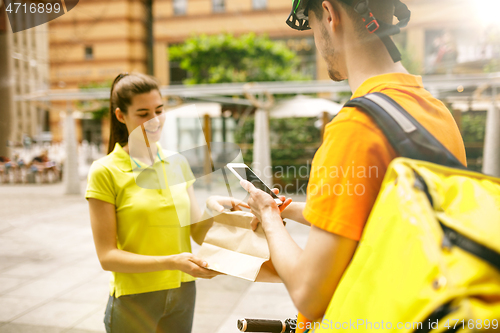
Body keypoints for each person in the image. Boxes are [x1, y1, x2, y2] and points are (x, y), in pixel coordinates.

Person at [241, 0, 467, 331]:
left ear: (329, 14)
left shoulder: (355, 128)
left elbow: (310, 294)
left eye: (311, 23)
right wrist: (286, 208)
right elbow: (382, 216)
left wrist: (268, 216)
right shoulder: (433, 110)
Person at [86, 73, 248, 333]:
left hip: (183, 294)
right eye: (142, 114)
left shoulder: (177, 162)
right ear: (120, 116)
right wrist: (171, 261)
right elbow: (107, 257)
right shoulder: (104, 171)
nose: (155, 120)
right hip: (134, 299)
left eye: (159, 110)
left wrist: (228, 214)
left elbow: (197, 231)